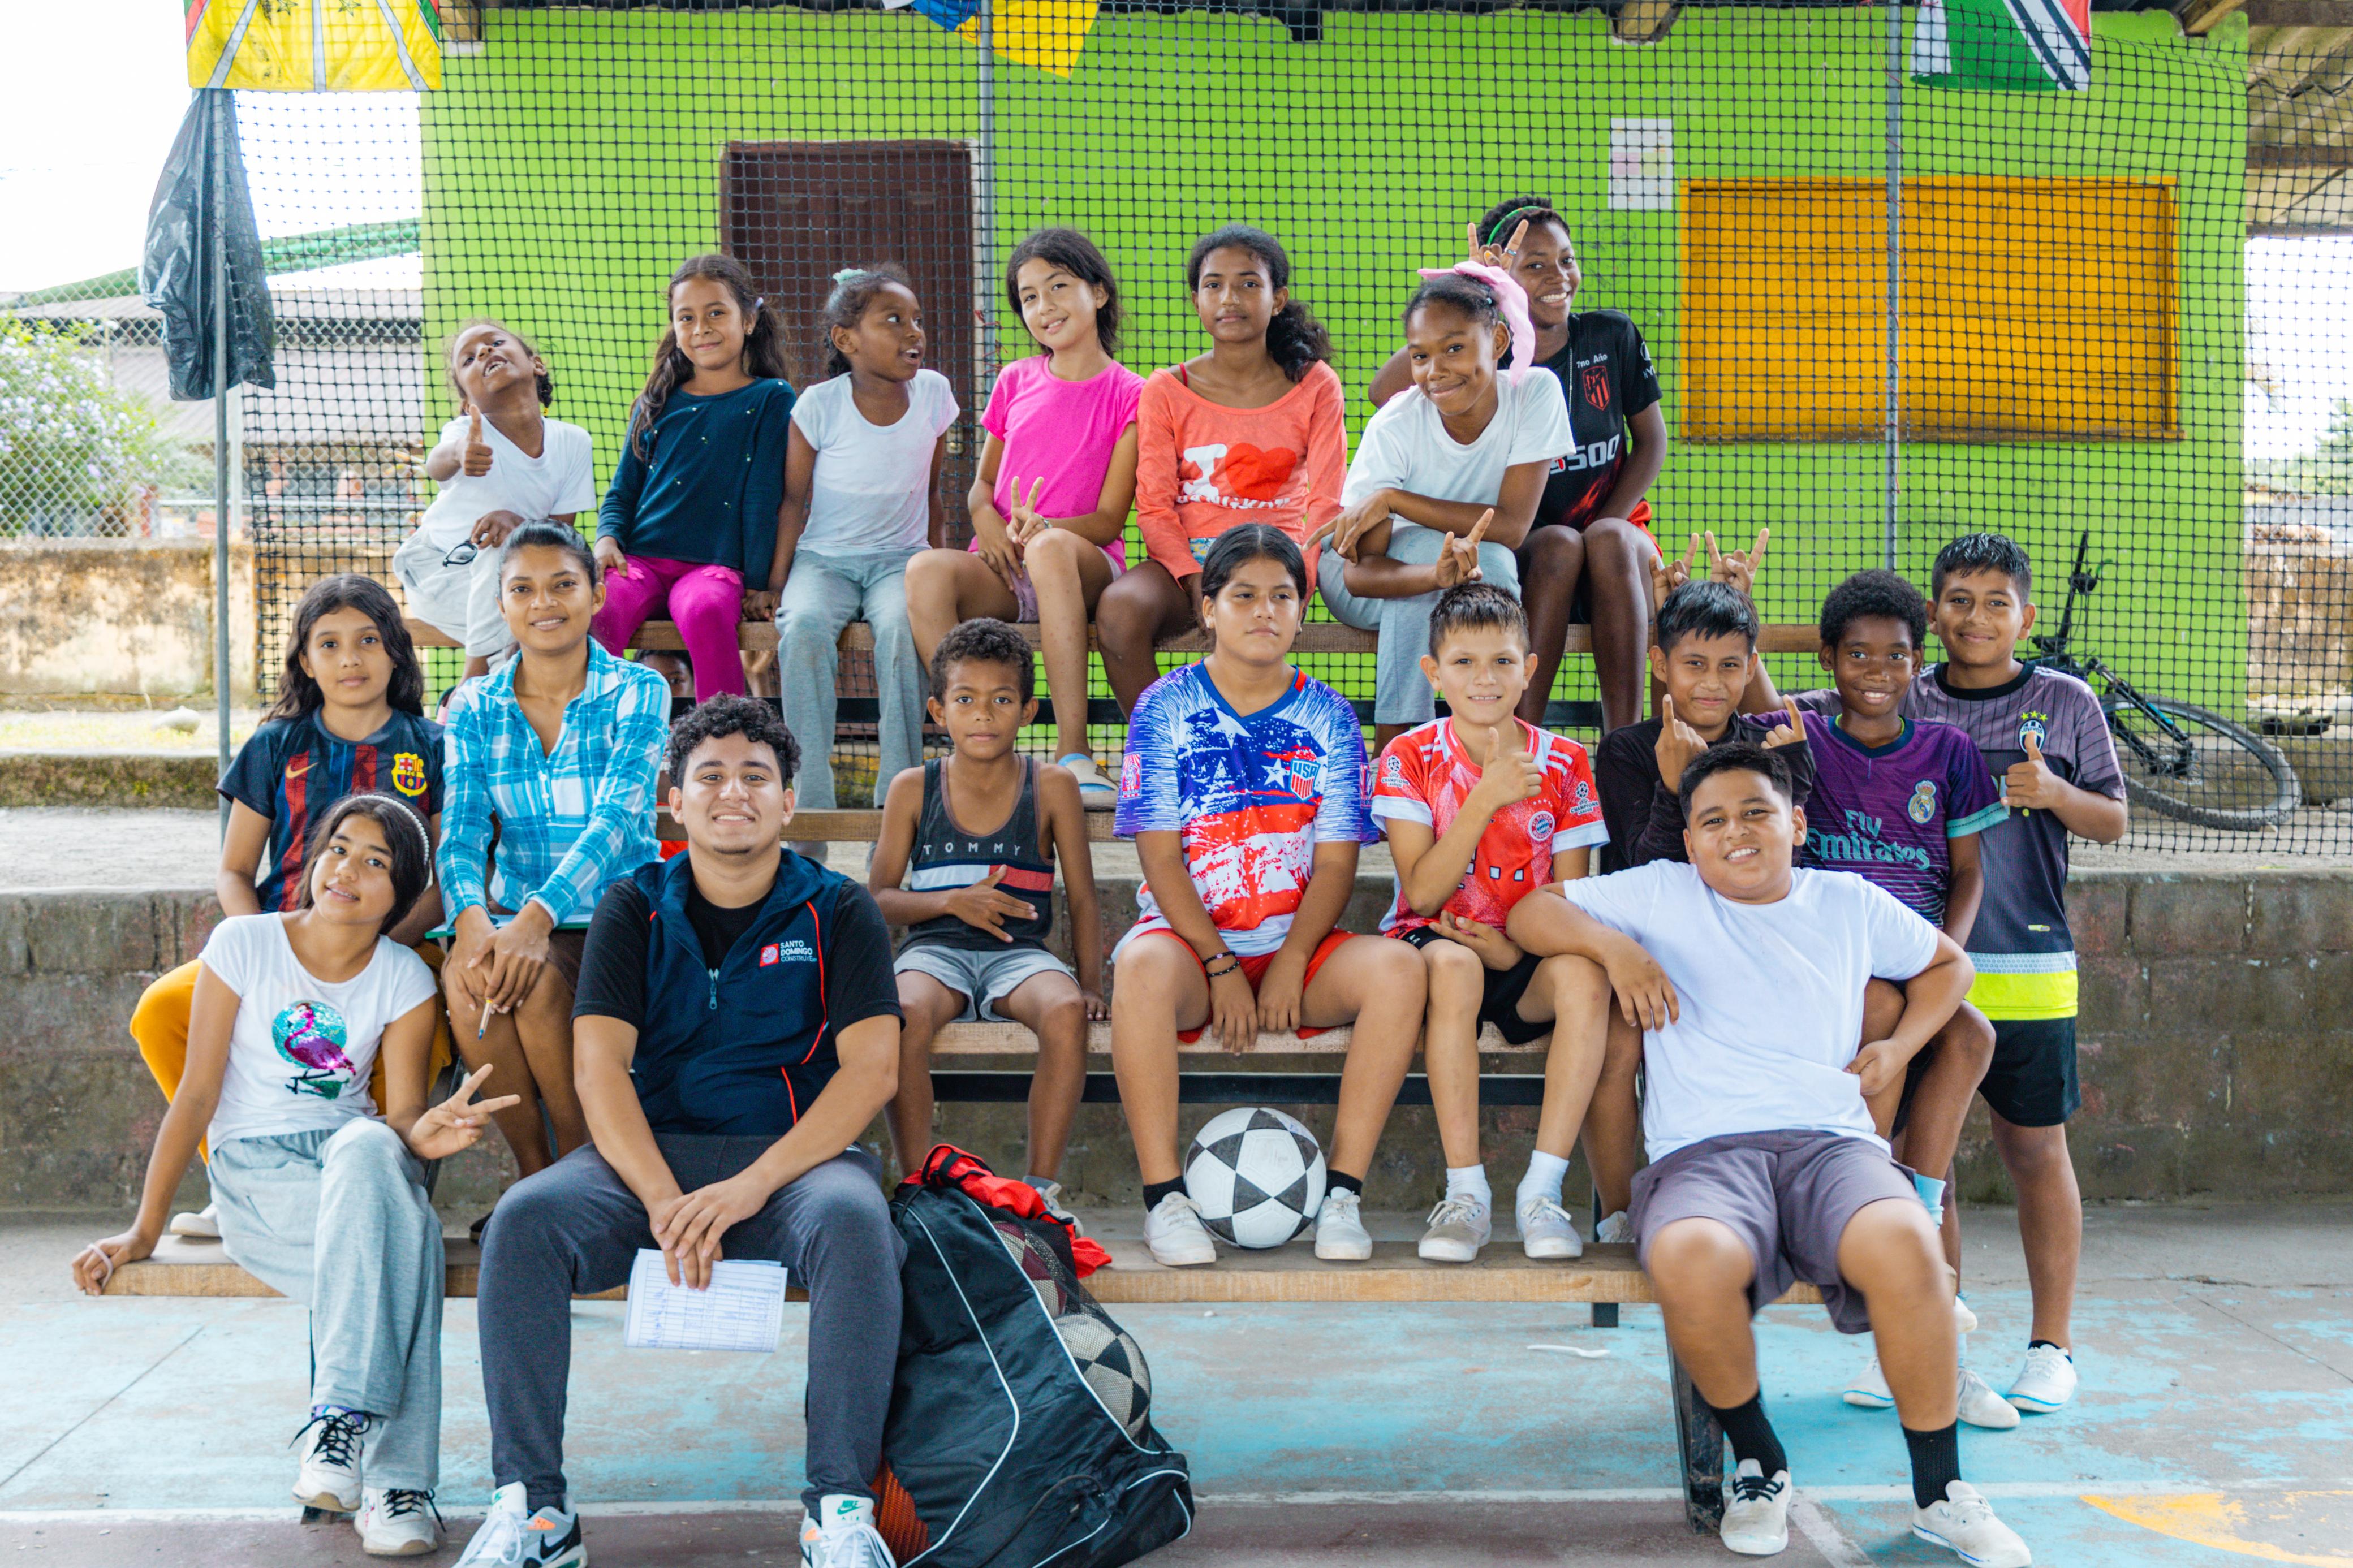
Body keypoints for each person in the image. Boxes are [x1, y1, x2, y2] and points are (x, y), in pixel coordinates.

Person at [1505, 746, 2032, 1567]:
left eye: (1755, 812)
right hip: (1703, 1157)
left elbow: (1948, 965)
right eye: (1712, 820)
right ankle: (1759, 1460)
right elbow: (1529, 911)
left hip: (1832, 1145)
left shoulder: (1846, 900)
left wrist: (1899, 1046)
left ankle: (1941, 1492)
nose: (1735, 832)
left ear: (1796, 822)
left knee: (1908, 1245)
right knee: (1687, 1257)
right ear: (1690, 841)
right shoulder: (1661, 892)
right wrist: (1618, 950)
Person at [452, 697, 906, 1568]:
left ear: (788, 800)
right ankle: (533, 1511)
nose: (734, 792)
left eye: (756, 776)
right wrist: (664, 1200)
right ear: (675, 801)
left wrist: (750, 1187)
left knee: (857, 1223)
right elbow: (598, 1070)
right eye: (711, 775)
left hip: (793, 1166)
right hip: (647, 1165)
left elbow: (871, 1072)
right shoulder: (633, 905)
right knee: (524, 1221)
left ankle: (839, 1512)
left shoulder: (840, 909)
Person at [76, 794, 516, 1560]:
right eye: (338, 849)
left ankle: (338, 1423)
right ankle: (398, 1485)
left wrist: (424, 1133)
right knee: (407, 1241)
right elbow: (197, 1096)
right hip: (257, 1170)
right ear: (315, 858)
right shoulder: (243, 943)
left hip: (354, 1161)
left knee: (368, 1146)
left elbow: (400, 1116)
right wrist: (145, 1228)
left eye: (375, 862)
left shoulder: (404, 978)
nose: (347, 870)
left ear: (401, 894)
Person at [1110, 525, 1425, 1267]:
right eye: (1243, 595)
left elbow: (1337, 864)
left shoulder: (1331, 716)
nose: (1264, 611)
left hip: (1296, 952)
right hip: (1192, 952)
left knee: (1399, 970)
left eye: (1282, 596)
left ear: (1301, 611)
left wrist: (1288, 960)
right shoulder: (1163, 708)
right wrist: (1219, 963)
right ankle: (1165, 1199)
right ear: (1207, 608)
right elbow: (1160, 856)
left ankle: (1341, 1197)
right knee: (1140, 968)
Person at [128, 573, 453, 1241]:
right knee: (161, 1010)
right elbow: (234, 870)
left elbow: (445, 878)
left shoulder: (433, 746)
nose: (350, 658)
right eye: (328, 644)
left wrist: (378, 946)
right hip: (283, 940)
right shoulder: (275, 744)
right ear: (305, 660)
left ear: (396, 651)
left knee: (431, 1038)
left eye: (368, 640)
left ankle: (379, 1184)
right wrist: (266, 951)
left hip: (394, 944)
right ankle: (238, 1179)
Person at [1911, 532, 2127, 1415]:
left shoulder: (2066, 702)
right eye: (1959, 600)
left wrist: (2057, 795)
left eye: (1997, 602)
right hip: (1925, 974)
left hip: (2030, 967)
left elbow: (2113, 819)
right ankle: (1929, 1341)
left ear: (2026, 618)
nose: (1977, 617)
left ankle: (2052, 1346)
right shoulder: (1907, 693)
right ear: (1934, 614)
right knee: (1924, 1164)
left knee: (2035, 1149)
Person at [1790, 570, 2008, 1427]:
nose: (1876, 671)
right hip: (1843, 964)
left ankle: (1932, 1348)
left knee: (1972, 1037)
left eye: (1895, 656)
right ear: (1828, 659)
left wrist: (1946, 954)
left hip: (1922, 956)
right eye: (1857, 655)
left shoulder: (1947, 752)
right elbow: (1740, 680)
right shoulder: (1803, 736)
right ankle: (1881, 1188)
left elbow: (1968, 873)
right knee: (1882, 1009)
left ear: (1920, 663)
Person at [1368, 584, 1611, 1262]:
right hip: (1436, 943)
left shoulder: (1565, 762)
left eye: (1502, 661)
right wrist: (1483, 798)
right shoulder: (1410, 755)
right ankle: (1466, 1193)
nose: (1484, 678)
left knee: (1584, 978)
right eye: (1464, 662)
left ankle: (1542, 1192)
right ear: (1432, 673)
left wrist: (1511, 952)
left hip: (1524, 952)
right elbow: (1422, 892)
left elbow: (1568, 899)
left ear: (1528, 669)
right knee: (1453, 967)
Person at [1372, 200, 1667, 733]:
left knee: (1606, 539)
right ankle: (1516, 738)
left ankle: (1622, 746)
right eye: (1534, 265)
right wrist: (1478, 286)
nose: (1558, 276)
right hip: (1533, 554)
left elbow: (1651, 443)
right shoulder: (1485, 357)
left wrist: (1605, 524)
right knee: (1560, 543)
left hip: (1619, 555)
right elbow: (1381, 392)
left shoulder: (1612, 336)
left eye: (1566, 260)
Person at [438, 522, 670, 1182]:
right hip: (514, 917)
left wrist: (536, 919)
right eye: (522, 589)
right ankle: (533, 1177)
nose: (543, 603)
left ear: (595, 595)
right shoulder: (473, 704)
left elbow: (616, 821)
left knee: (535, 981)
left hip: (621, 916)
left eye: (563, 584)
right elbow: (460, 830)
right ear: (501, 604)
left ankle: (579, 1171)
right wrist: (470, 918)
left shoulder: (638, 689)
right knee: (467, 976)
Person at [869, 617, 1104, 1219]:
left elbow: (1082, 896)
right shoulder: (913, 788)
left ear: (1027, 711)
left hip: (1019, 955)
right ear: (937, 709)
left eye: (1001, 700)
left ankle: (1039, 1189)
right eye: (965, 700)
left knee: (1065, 1011)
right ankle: (920, 1188)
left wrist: (1090, 983)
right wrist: (950, 901)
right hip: (933, 953)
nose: (982, 714)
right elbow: (878, 897)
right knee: (902, 1012)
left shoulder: (1051, 786)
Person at [904, 229, 1143, 799]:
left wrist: (1046, 531)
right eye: (1029, 297)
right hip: (1006, 568)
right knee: (924, 571)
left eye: (1058, 287)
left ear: (1099, 293)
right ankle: (976, 752)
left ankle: (1073, 755)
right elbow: (981, 488)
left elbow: (1110, 519)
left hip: (1081, 563)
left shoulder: (1133, 393)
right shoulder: (1014, 379)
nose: (1044, 306)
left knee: (1049, 548)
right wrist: (988, 522)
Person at [1096, 224, 1347, 716]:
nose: (1230, 298)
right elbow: (1154, 507)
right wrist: (1192, 577)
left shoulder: (1316, 384)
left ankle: (1256, 747)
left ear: (1278, 299)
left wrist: (1299, 582)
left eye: (1249, 283)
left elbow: (1326, 503)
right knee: (1120, 611)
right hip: (1184, 565)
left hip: (1273, 559)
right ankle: (1167, 746)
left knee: (1250, 612)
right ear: (1196, 301)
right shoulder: (1166, 388)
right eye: (1214, 285)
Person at [1317, 264, 1570, 748]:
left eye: (1455, 348)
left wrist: (1394, 500)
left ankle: (1489, 742)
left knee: (1491, 559)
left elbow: (1512, 527)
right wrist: (1434, 575)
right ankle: (1396, 753)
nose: (1435, 371)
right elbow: (1360, 574)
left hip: (1471, 566)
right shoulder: (1397, 424)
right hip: (1366, 578)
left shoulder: (1534, 393)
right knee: (1431, 559)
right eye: (1420, 356)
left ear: (1498, 342)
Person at [768, 264, 958, 817]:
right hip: (823, 563)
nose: (913, 332)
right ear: (846, 340)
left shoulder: (934, 394)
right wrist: (775, 585)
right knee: (803, 626)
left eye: (916, 319)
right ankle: (810, 805)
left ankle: (897, 804)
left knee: (901, 630)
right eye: (893, 320)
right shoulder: (818, 404)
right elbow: (792, 502)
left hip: (902, 562)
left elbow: (933, 495)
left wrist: (938, 568)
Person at [591, 253, 797, 702]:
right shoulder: (657, 399)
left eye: (716, 313)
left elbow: (764, 498)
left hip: (714, 569)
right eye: (687, 317)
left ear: (748, 320)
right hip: (640, 562)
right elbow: (623, 490)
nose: (701, 328)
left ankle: (723, 732)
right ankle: (597, 729)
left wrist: (760, 584)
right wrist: (607, 540)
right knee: (596, 610)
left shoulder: (772, 398)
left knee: (706, 610)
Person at [393, 319, 596, 681]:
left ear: (536, 364)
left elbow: (560, 535)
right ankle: (472, 680)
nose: (485, 351)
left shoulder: (573, 442)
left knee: (533, 622)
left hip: (509, 581)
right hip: (437, 572)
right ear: (467, 403)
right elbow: (437, 465)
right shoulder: (468, 434)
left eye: (496, 343)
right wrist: (460, 452)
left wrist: (519, 526)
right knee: (502, 560)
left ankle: (492, 695)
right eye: (469, 359)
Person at [1592, 577, 1810, 875]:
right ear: (1661, 664)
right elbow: (1648, 871)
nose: (1712, 682)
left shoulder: (1768, 750)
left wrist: (1794, 783)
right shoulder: (1625, 750)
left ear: (1750, 668)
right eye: (1695, 664)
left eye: (1729, 665)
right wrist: (1673, 789)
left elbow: (1782, 868)